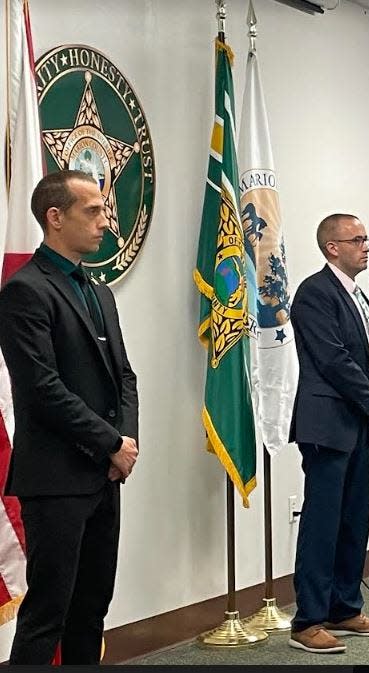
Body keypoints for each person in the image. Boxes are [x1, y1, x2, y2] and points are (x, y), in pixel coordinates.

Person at [0, 170, 139, 664]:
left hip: (105, 474)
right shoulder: (25, 291)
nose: (106, 222)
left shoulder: (98, 291)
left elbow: (123, 375)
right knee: (47, 613)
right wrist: (110, 443)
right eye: (94, 211)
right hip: (56, 477)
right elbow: (42, 390)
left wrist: (125, 444)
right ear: (55, 218)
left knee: (91, 608)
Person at [287, 213, 369, 654]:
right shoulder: (314, 293)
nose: (367, 246)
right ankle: (307, 619)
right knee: (323, 523)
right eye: (358, 239)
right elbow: (332, 359)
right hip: (327, 424)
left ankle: (344, 607)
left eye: (366, 238)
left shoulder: (358, 295)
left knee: (354, 518)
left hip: (357, 423)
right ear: (333, 247)